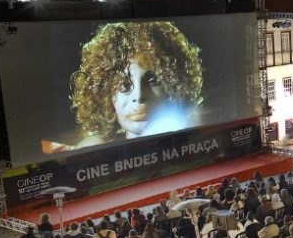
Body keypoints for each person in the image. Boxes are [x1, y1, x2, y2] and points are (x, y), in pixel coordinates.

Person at [54, 21, 204, 152]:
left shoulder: (198, 143)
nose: (138, 97)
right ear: (106, 96)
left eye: (153, 81)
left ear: (174, 87)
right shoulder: (92, 152)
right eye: (124, 85)